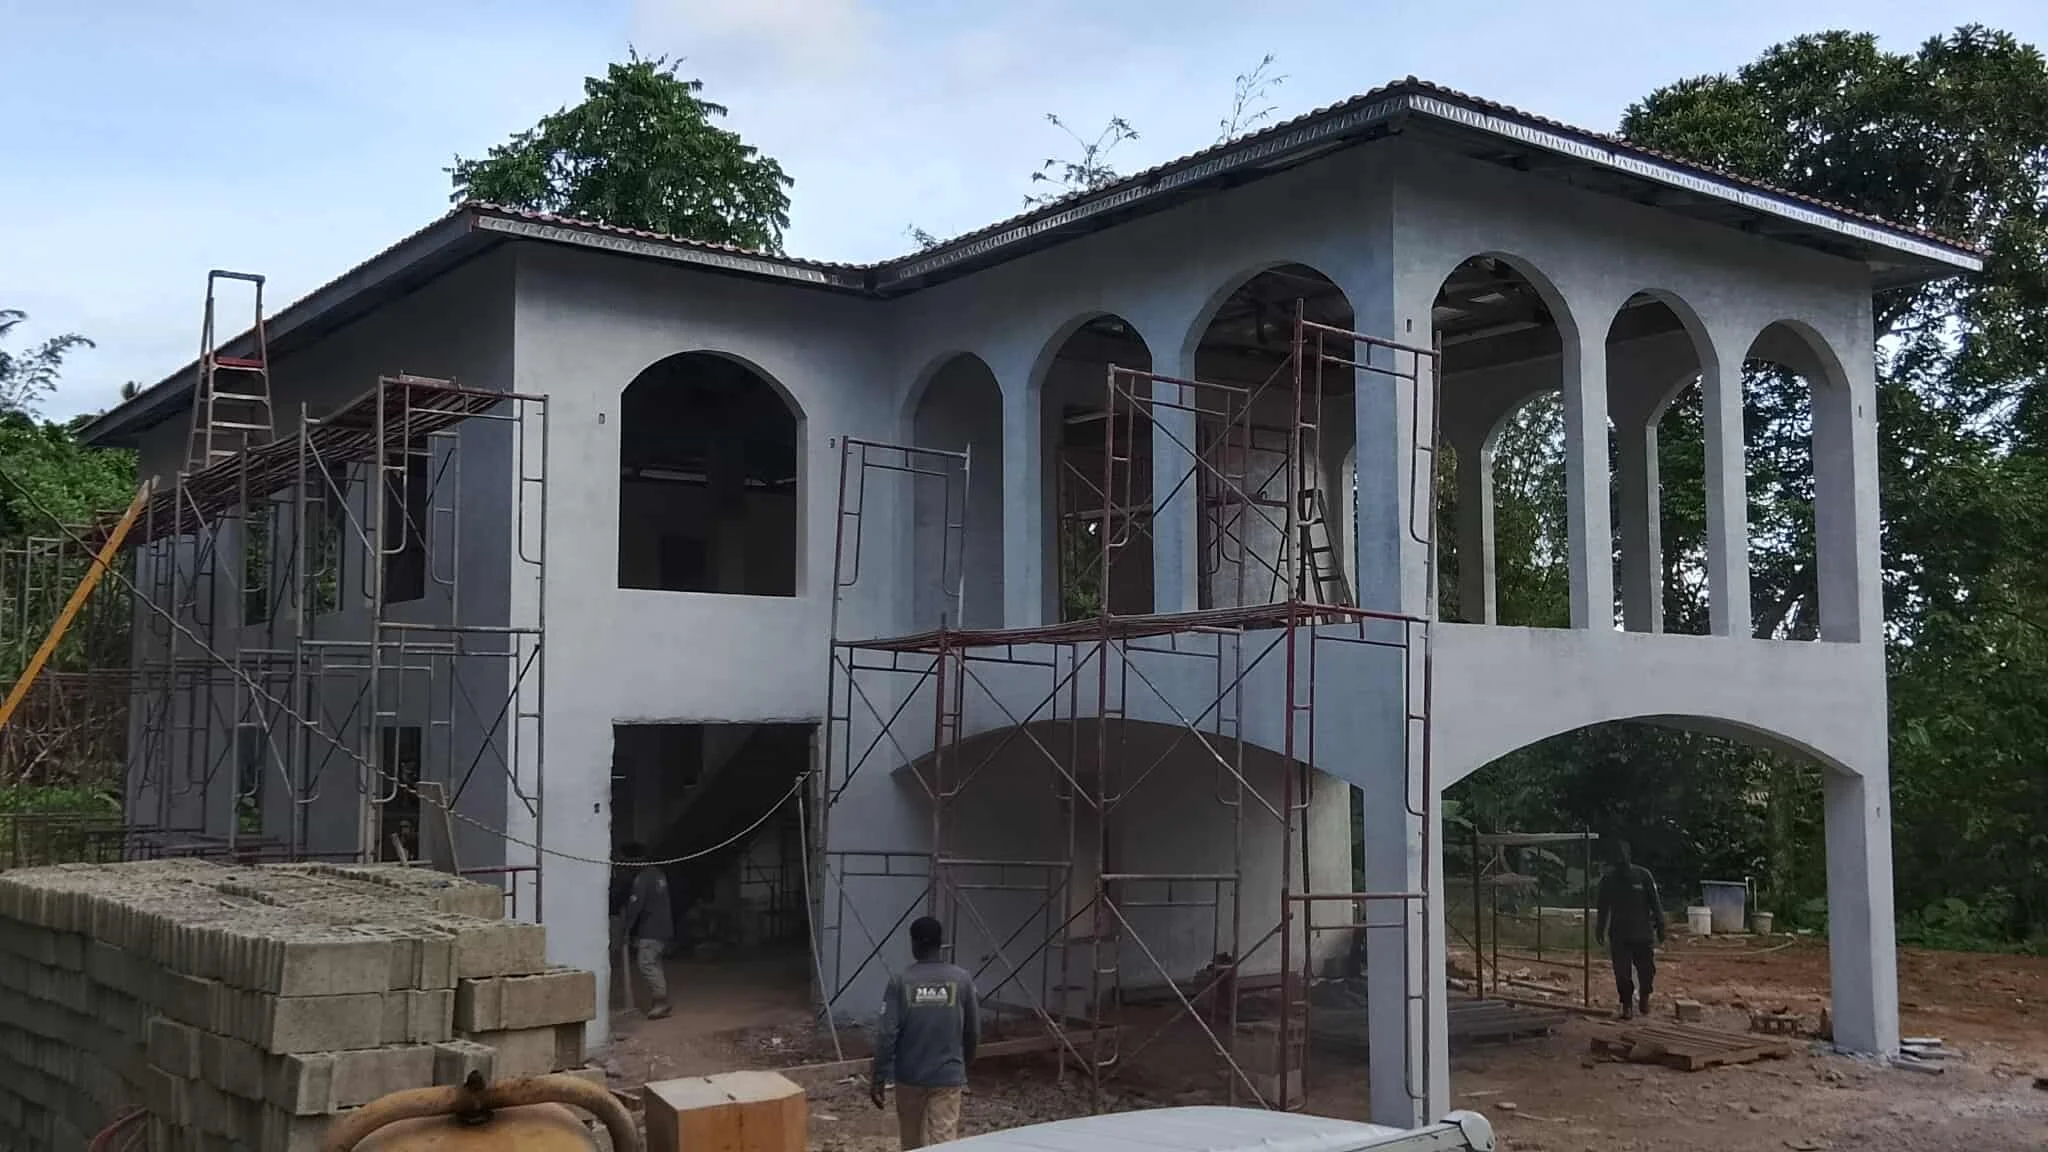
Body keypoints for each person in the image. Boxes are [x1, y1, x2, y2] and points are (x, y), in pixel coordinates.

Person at [870, 917, 979, 1149]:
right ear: (941, 943)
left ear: (914, 944)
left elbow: (887, 1034)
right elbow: (972, 1031)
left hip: (910, 1076)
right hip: (947, 1076)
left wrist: (879, 1076)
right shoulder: (962, 979)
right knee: (944, 1142)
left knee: (911, 1142)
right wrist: (962, 1067)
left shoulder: (900, 982)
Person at [1594, 840, 1666, 1019]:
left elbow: (1655, 903)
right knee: (1622, 973)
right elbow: (1602, 908)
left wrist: (1661, 925)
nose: (1621, 860)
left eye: (1623, 856)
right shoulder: (1608, 880)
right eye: (1617, 857)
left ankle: (1644, 997)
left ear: (1629, 856)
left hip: (1643, 933)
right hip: (1619, 934)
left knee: (1647, 970)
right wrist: (1599, 928)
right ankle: (1626, 1003)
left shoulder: (1643, 876)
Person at [615, 845, 674, 1020]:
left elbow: (635, 906)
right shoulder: (658, 874)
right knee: (654, 963)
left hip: (651, 929)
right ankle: (660, 999)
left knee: (646, 964)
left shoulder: (642, 879)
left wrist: (626, 929)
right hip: (664, 927)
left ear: (635, 861)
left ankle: (661, 1001)